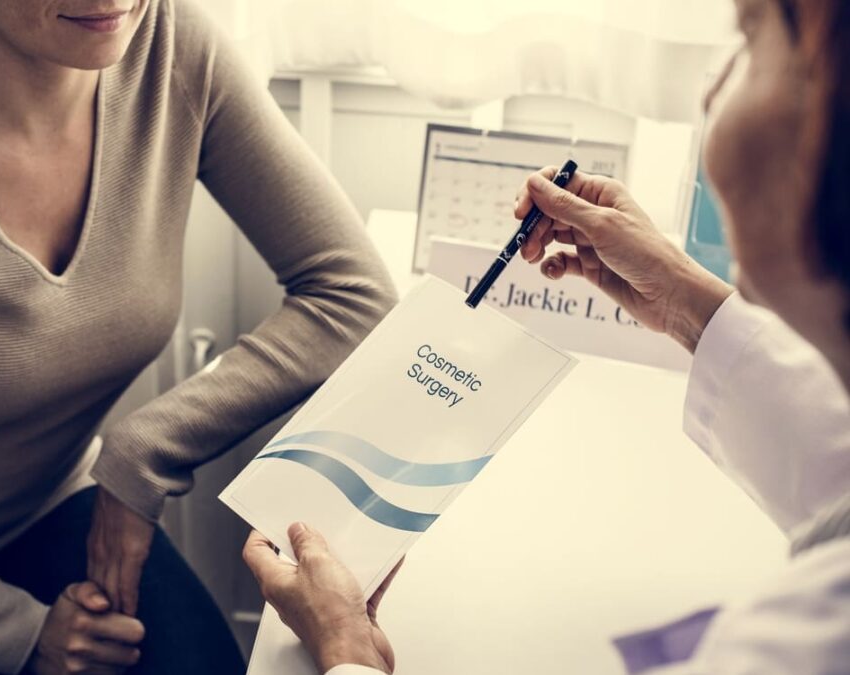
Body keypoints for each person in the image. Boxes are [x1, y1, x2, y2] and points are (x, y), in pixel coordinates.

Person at [0, 0, 397, 674]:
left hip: (45, 505)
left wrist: (142, 452)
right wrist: (20, 631)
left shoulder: (173, 49)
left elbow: (354, 293)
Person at [243, 0, 850, 672]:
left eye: (749, 39)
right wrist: (680, 300)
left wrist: (346, 649)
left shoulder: (800, 645)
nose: (710, 91)